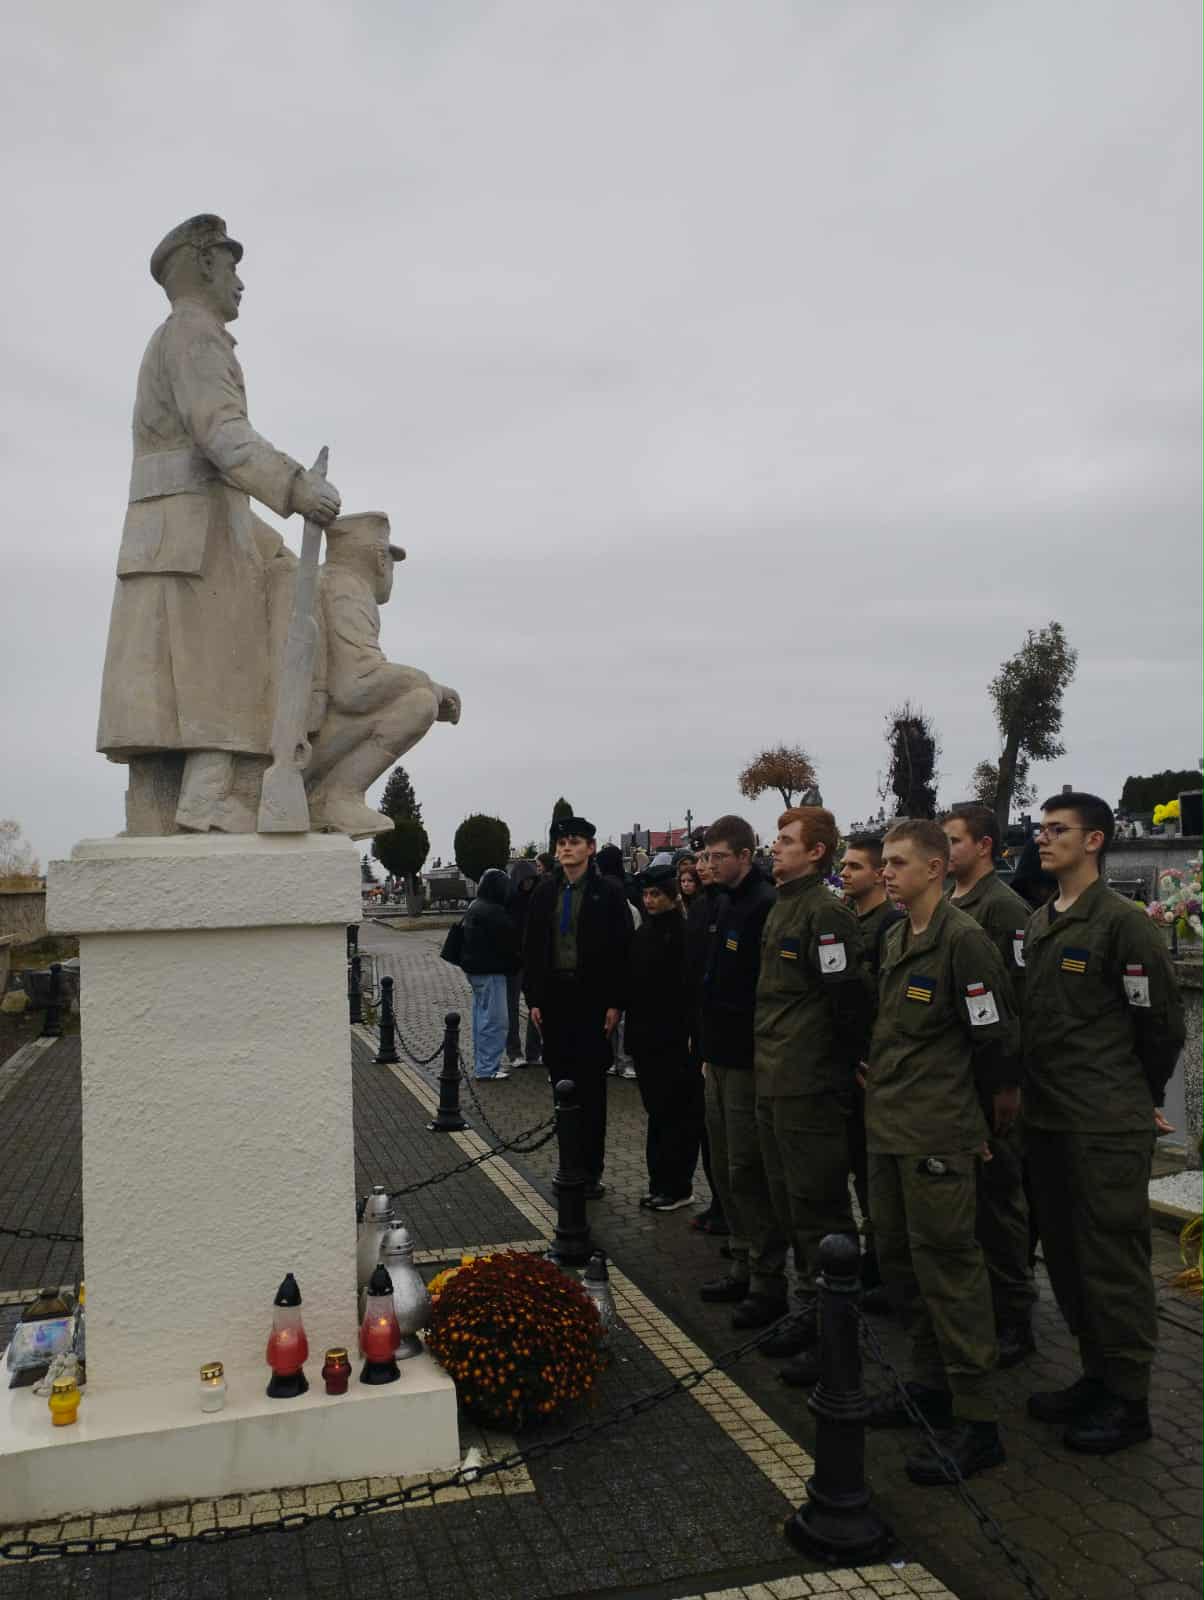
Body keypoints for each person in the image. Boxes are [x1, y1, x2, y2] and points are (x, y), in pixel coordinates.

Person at [97, 214, 342, 835]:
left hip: (195, 526)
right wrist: (296, 487)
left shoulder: (187, 336)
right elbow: (221, 434)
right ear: (204, 265)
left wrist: (273, 541)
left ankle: (184, 801)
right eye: (232, 267)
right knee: (221, 665)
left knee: (202, 671)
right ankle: (206, 798)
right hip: (191, 535)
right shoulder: (193, 334)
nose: (240, 282)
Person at [1022, 792, 1184, 1453]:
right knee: (1064, 1256)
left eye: (1058, 830)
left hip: (1103, 1124)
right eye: (1042, 829)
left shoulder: (1123, 924)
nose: (1044, 839)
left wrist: (1132, 1096)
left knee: (1113, 1259)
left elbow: (1162, 1026)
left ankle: (1130, 1399)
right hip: (1049, 1117)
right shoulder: (1038, 923)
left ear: (1094, 841)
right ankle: (1096, 1375)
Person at [863, 819, 1020, 1485]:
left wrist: (979, 1127)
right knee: (902, 1266)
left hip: (938, 1136)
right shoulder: (898, 935)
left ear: (935, 867)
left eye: (900, 863)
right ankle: (929, 1386)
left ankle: (978, 1422)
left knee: (951, 1272)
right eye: (886, 862)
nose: (888, 872)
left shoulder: (965, 941)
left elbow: (996, 1046)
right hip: (891, 1131)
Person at [753, 809, 875, 1386]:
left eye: (785, 841)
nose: (774, 848)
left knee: (819, 1207)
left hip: (808, 1083)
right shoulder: (784, 904)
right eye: (775, 839)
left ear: (818, 852)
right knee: (787, 1204)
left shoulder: (826, 913)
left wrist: (847, 1066)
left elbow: (846, 999)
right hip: (775, 1078)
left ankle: (836, 1333)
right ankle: (809, 1310)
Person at [943, 802, 1038, 1366]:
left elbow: (1022, 1001)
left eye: (954, 840)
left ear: (983, 846)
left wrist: (1009, 1081)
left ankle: (1014, 1316)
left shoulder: (1003, 909)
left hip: (992, 1077)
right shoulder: (951, 904)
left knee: (1000, 1200)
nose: (946, 849)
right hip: (956, 1076)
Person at [696, 817, 782, 1318]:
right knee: (727, 1165)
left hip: (748, 1058)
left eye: (718, 857)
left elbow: (759, 991)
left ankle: (767, 1279)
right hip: (719, 1054)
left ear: (745, 856)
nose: (708, 865)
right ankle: (743, 1261)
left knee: (748, 1167)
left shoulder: (762, 904)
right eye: (705, 857)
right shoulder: (726, 902)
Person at [523, 817, 632, 1197]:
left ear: (590, 847)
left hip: (593, 1000)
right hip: (555, 1000)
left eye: (575, 842)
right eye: (562, 842)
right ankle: (568, 1163)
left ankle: (591, 1170)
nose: (567, 848)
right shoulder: (544, 892)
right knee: (561, 1085)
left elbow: (622, 951)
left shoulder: (609, 892)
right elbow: (533, 948)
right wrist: (533, 999)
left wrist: (616, 1002)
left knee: (591, 1088)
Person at [839, 832, 904, 1303]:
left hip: (874, 1069)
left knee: (873, 1172)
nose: (844, 874)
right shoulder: (846, 920)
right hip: (846, 1066)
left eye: (854, 867)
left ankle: (883, 1259)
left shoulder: (888, 927)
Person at [626, 864, 703, 1210]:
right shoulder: (643, 934)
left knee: (676, 1115)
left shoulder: (683, 934)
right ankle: (659, 1181)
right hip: (645, 1037)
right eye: (645, 895)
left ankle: (677, 1185)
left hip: (673, 1038)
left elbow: (686, 989)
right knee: (656, 1112)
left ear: (672, 897)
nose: (649, 901)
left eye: (656, 894)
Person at [460, 868, 522, 1081]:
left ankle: (482, 1063)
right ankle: (488, 1068)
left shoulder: (475, 906)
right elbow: (511, 938)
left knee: (482, 1018)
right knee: (495, 1021)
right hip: (491, 972)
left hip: (475, 971)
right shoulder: (494, 912)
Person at [597, 843, 640, 1079]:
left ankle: (624, 1059)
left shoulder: (628, 905)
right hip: (609, 965)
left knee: (622, 1020)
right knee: (609, 1017)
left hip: (625, 964)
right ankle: (613, 1059)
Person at [505, 858, 542, 1067]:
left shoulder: (535, 900)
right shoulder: (511, 901)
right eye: (524, 880)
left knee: (535, 1006)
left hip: (532, 961)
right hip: (514, 962)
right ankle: (514, 1051)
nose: (528, 884)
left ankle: (533, 1051)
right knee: (511, 1009)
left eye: (531, 880)